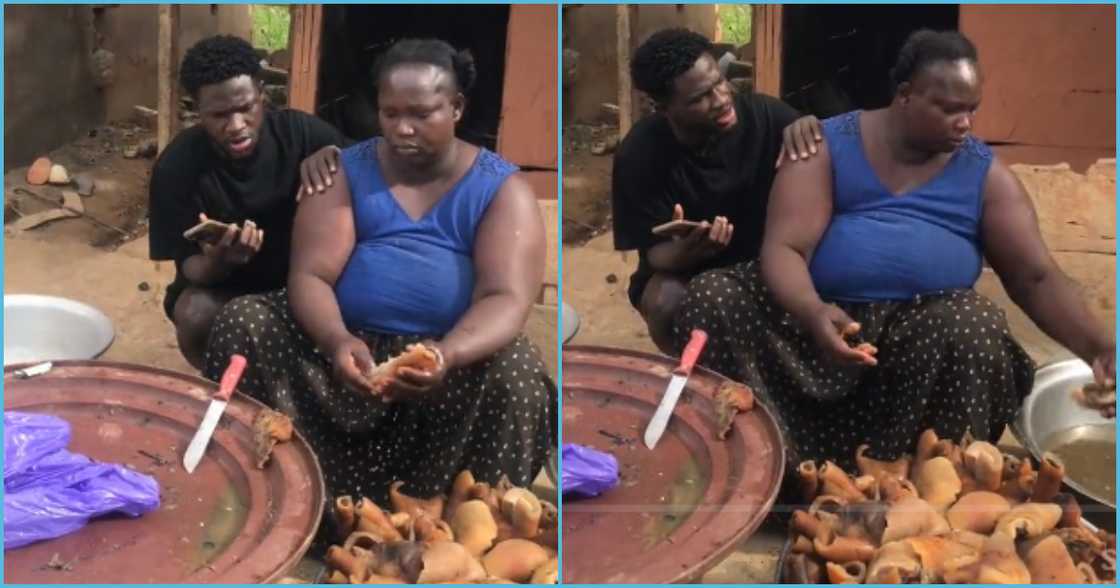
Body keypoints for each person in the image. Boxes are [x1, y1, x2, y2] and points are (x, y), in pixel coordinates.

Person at [674, 30, 1116, 480]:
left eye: (971, 109)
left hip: (919, 341)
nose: (964, 122)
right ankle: (769, 474)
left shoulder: (985, 175)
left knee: (974, 326)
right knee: (713, 296)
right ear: (904, 95)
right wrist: (812, 310)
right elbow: (785, 247)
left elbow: (1034, 278)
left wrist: (1099, 347)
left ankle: (924, 488)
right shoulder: (825, 144)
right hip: (812, 325)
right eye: (948, 108)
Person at [202, 39, 555, 506]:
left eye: (421, 113)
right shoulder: (343, 171)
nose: (403, 129)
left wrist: (446, 354)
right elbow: (312, 276)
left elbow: (506, 298)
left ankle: (460, 518)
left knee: (519, 374)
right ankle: (284, 498)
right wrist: (337, 340)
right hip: (345, 358)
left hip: (447, 366)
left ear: (456, 107)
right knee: (243, 320)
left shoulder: (501, 189)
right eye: (390, 114)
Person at [611, 28, 824, 354]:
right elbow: (655, 254)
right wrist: (690, 250)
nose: (722, 99)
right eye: (700, 98)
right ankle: (695, 380)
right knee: (666, 301)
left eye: (719, 82)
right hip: (687, 272)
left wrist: (808, 126)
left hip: (768, 263)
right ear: (663, 107)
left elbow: (825, 155)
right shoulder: (640, 155)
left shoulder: (767, 117)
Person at [148, 35, 347, 369]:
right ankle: (224, 392)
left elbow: (377, 162)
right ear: (197, 111)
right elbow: (189, 267)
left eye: (246, 108)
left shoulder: (304, 135)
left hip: (306, 283)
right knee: (195, 313)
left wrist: (339, 155)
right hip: (229, 290)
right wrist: (221, 262)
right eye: (219, 115)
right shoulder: (177, 167)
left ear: (262, 94)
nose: (236, 126)